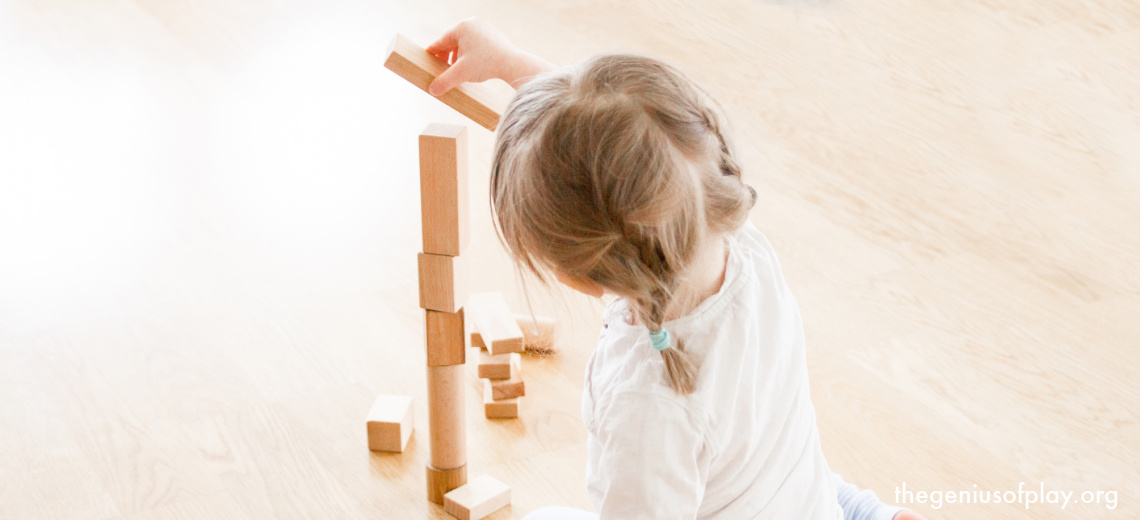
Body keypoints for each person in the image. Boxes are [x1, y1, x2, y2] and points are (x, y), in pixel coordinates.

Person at [425, 18, 928, 520]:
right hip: (792, 493)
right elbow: (614, 146)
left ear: (575, 274)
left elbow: (605, 161)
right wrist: (513, 65)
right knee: (785, 472)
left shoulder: (649, 404)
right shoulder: (734, 238)